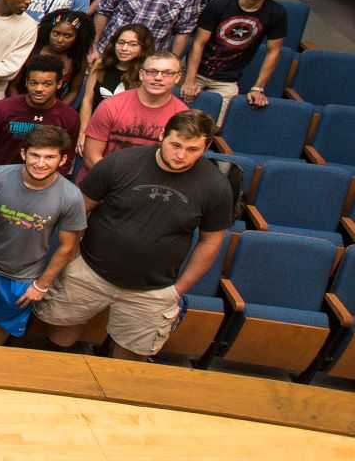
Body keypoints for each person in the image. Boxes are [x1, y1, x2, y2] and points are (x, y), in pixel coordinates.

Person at [35, 111, 234, 360]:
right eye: (175, 145)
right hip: (89, 270)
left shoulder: (215, 186)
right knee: (60, 337)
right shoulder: (120, 163)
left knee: (129, 359)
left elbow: (211, 241)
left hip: (155, 289)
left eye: (193, 149)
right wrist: (73, 256)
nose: (181, 155)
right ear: (162, 136)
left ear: (206, 147)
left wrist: (179, 290)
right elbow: (79, 210)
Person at [0, 125, 87, 343]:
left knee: (1, 326)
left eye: (49, 157)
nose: (40, 163)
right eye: (35, 155)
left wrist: (41, 285)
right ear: (23, 154)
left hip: (22, 276)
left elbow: (67, 246)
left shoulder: (70, 196)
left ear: (62, 160)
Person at [184, 0, 286, 104]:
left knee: (219, 122)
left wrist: (258, 88)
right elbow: (198, 43)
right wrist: (189, 80)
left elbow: (274, 52)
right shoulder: (219, 4)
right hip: (195, 72)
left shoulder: (276, 13)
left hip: (228, 80)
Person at [0, 54, 82, 171]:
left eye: (47, 84)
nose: (39, 89)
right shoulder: (2, 109)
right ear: (26, 82)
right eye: (34, 83)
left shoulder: (69, 117)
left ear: (59, 84)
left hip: (43, 183)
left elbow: (66, 158)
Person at [82, 50, 189, 166]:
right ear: (141, 75)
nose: (158, 78)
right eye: (151, 72)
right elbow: (91, 156)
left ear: (178, 78)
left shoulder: (182, 115)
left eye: (167, 73)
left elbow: (179, 159)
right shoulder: (110, 105)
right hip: (106, 176)